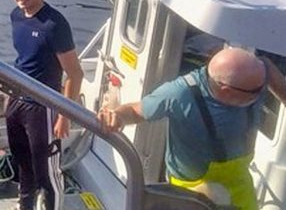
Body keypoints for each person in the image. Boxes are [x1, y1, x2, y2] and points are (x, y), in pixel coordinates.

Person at [98, 47, 286, 210]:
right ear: (226, 90)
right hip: (192, 190)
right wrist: (117, 116)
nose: (263, 91)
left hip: (239, 182)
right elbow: (134, 110)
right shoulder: (179, 94)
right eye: (257, 91)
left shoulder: (260, 72)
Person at [2, 0, 84, 210]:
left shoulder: (54, 25)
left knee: (47, 174)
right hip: (17, 102)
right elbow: (24, 60)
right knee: (23, 165)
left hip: (43, 107)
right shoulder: (16, 16)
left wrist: (64, 116)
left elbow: (75, 74)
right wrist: (10, 96)